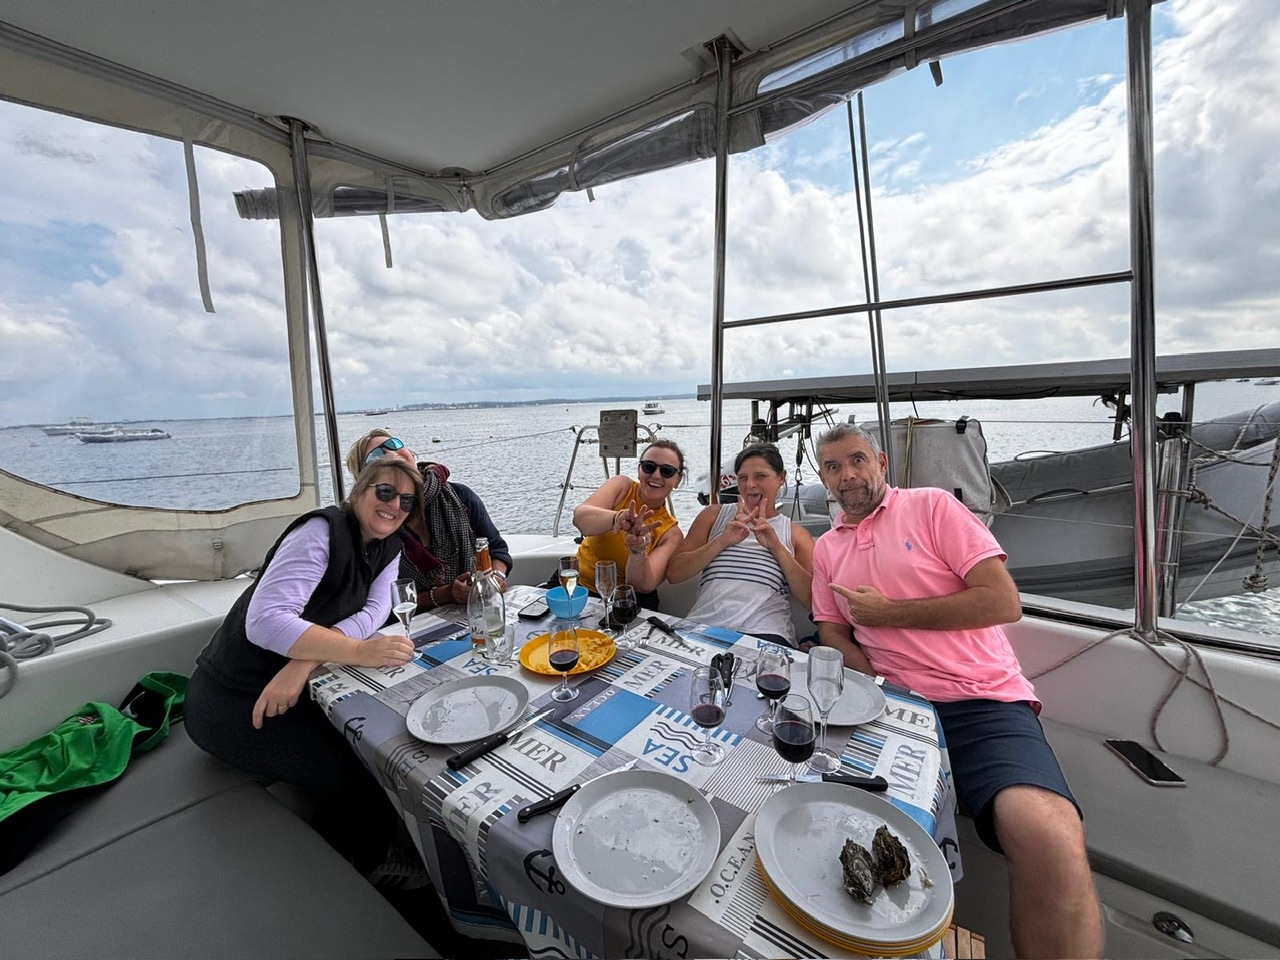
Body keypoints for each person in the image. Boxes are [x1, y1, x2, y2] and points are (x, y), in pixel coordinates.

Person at [809, 422, 1102, 959]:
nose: (847, 475)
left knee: (1051, 838)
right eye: (832, 467)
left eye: (855, 461)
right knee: (816, 819)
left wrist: (889, 614)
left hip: (981, 701)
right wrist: (875, 683)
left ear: (879, 462)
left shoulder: (932, 507)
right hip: (889, 706)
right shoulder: (828, 548)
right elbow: (832, 632)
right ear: (822, 478)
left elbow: (1002, 601)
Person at [185, 457, 423, 872]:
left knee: (386, 738)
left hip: (301, 687)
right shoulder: (319, 533)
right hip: (234, 701)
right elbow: (266, 622)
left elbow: (374, 610)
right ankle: (364, 869)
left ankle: (381, 849)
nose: (395, 505)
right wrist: (358, 652)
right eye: (384, 491)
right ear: (359, 491)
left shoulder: (389, 544)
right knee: (360, 764)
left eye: (406, 499)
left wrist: (302, 664)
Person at [345, 428, 511, 611]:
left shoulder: (460, 496)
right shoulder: (373, 529)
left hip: (477, 611)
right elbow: (380, 603)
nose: (392, 454)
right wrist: (446, 594)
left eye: (393, 444)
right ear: (367, 480)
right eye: (376, 456)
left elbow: (497, 549)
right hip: (415, 625)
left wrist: (495, 579)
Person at [667, 443, 813, 646]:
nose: (750, 484)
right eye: (743, 478)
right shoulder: (714, 516)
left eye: (760, 476)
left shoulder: (796, 534)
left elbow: (814, 601)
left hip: (765, 634)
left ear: (781, 478)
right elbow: (674, 573)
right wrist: (721, 542)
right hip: (704, 627)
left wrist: (777, 548)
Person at [572, 438, 686, 609]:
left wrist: (637, 551)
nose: (656, 475)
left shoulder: (671, 534)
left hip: (625, 601)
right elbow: (580, 518)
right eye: (649, 466)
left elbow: (642, 585)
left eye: (667, 471)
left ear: (677, 480)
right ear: (639, 470)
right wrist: (617, 519)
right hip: (575, 586)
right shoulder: (621, 487)